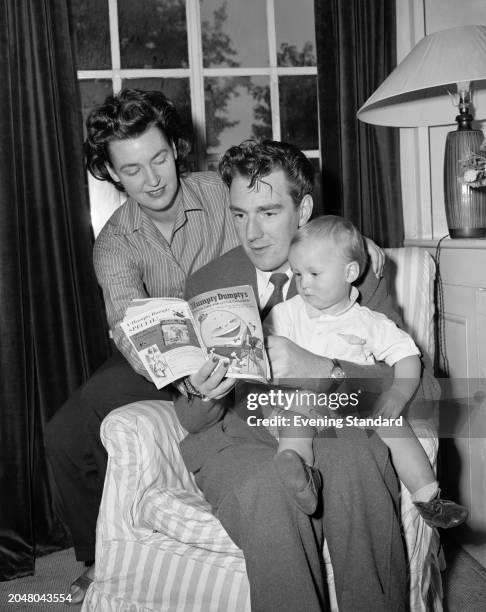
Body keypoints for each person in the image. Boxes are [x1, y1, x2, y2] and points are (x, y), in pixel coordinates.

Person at [173, 139, 418, 611]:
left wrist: (320, 368)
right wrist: (203, 393)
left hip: (328, 422)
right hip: (239, 435)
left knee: (358, 464)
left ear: (303, 208)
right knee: (269, 491)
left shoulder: (351, 272)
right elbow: (189, 419)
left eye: (268, 212)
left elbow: (415, 387)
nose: (252, 233)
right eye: (240, 214)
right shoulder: (207, 283)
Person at [45, 88, 241, 602]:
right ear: (110, 173)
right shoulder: (112, 242)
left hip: (241, 334)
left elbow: (283, 225)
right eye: (132, 170)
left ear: (176, 147)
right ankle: (95, 556)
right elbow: (129, 328)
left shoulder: (222, 192)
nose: (153, 179)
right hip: (158, 356)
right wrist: (181, 377)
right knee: (64, 434)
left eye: (159, 158)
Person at [263, 214, 468, 528]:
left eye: (315, 273)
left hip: (354, 403)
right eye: (298, 273)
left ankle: (429, 499)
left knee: (395, 427)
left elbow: (407, 356)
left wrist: (398, 394)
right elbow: (262, 344)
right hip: (304, 403)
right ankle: (301, 478)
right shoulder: (287, 313)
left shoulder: (369, 321)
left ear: (350, 272)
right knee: (293, 426)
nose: (304, 284)